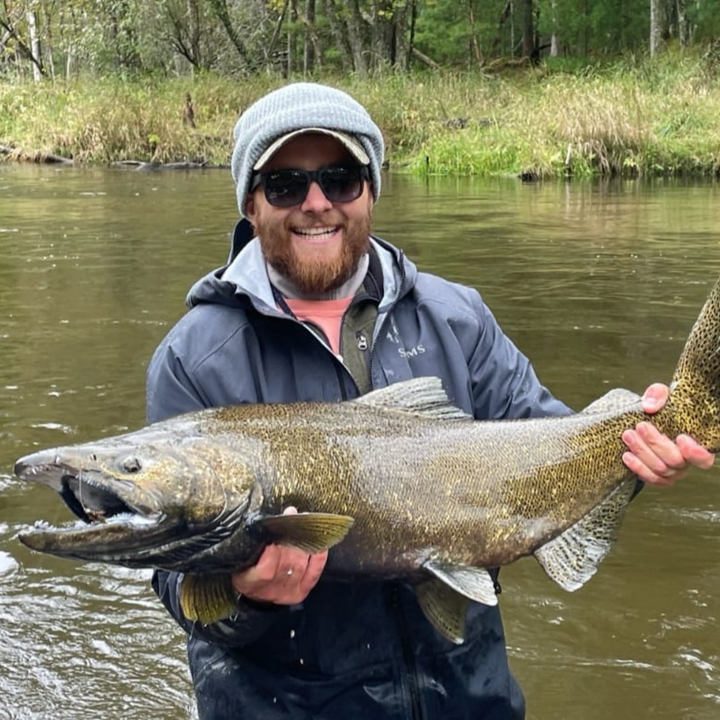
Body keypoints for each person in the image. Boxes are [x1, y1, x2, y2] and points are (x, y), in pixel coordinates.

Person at [145, 82, 714, 719]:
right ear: (251, 202)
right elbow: (176, 580)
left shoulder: (456, 316)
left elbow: (556, 439)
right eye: (285, 184)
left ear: (371, 190)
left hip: (470, 697)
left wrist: (639, 451)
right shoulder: (194, 358)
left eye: (340, 178)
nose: (316, 203)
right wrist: (243, 594)